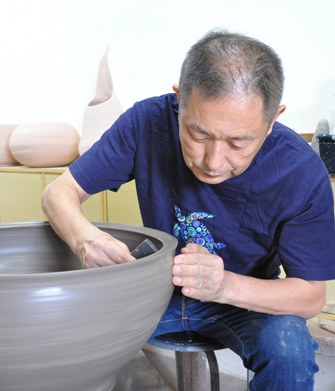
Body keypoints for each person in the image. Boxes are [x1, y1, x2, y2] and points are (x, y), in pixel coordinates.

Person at [42, 30, 335, 390]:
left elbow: (310, 296)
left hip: (245, 300)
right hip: (152, 291)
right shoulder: (146, 122)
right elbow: (59, 192)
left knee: (289, 352)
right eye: (198, 135)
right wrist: (84, 239)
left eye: (238, 143)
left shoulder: (302, 171)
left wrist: (222, 285)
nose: (213, 162)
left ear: (273, 120)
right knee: (55, 330)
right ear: (179, 100)